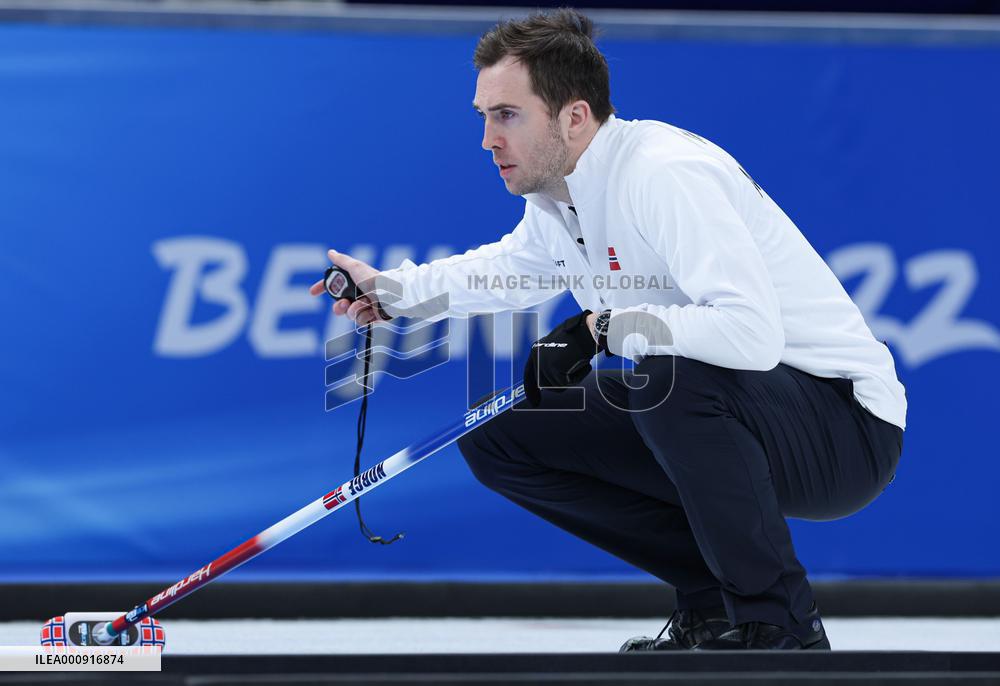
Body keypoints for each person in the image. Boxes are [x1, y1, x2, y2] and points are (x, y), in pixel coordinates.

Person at [310, 8, 905, 651]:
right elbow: (508, 269)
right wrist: (394, 293)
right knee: (501, 432)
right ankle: (713, 604)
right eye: (482, 116)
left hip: (843, 426)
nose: (487, 139)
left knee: (667, 380)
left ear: (574, 116)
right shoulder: (561, 196)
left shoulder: (663, 173)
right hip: (737, 412)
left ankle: (780, 625)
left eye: (506, 115)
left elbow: (749, 334)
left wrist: (602, 328)